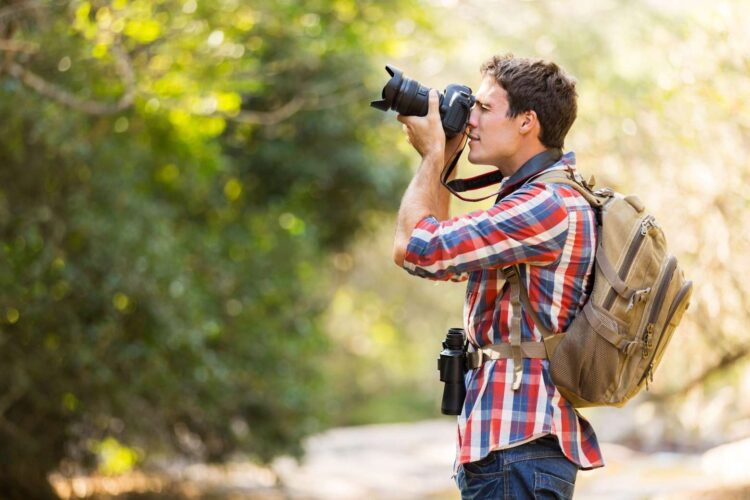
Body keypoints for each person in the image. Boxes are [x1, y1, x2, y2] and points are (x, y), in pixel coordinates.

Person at [392, 54, 604, 499]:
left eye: (485, 109)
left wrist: (431, 156)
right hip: (512, 445)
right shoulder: (536, 199)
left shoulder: (545, 205)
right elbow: (446, 262)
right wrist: (448, 155)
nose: (470, 120)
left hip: (519, 445)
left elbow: (415, 249)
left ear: (527, 122)